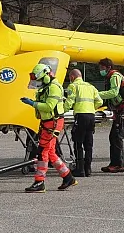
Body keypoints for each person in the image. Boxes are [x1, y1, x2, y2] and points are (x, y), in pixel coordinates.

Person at [19, 63, 77, 192]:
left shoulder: (54, 88)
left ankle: (39, 182)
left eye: (39, 79)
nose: (38, 82)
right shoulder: (47, 87)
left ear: (46, 75)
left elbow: (49, 106)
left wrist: (32, 103)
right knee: (50, 152)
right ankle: (68, 177)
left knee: (43, 152)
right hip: (49, 122)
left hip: (53, 123)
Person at [65, 68, 103, 177]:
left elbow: (69, 101)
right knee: (88, 143)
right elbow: (100, 101)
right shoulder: (91, 86)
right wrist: (92, 108)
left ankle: (80, 169)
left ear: (72, 77)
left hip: (80, 116)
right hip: (91, 116)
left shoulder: (73, 86)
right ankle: (88, 169)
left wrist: (61, 110)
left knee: (78, 142)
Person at [97, 57, 124, 172]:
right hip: (120, 109)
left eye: (102, 68)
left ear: (108, 67)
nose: (100, 70)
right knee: (113, 136)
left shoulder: (115, 76)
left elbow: (114, 92)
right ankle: (115, 163)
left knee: (117, 137)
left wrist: (97, 94)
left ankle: (119, 165)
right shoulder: (111, 77)